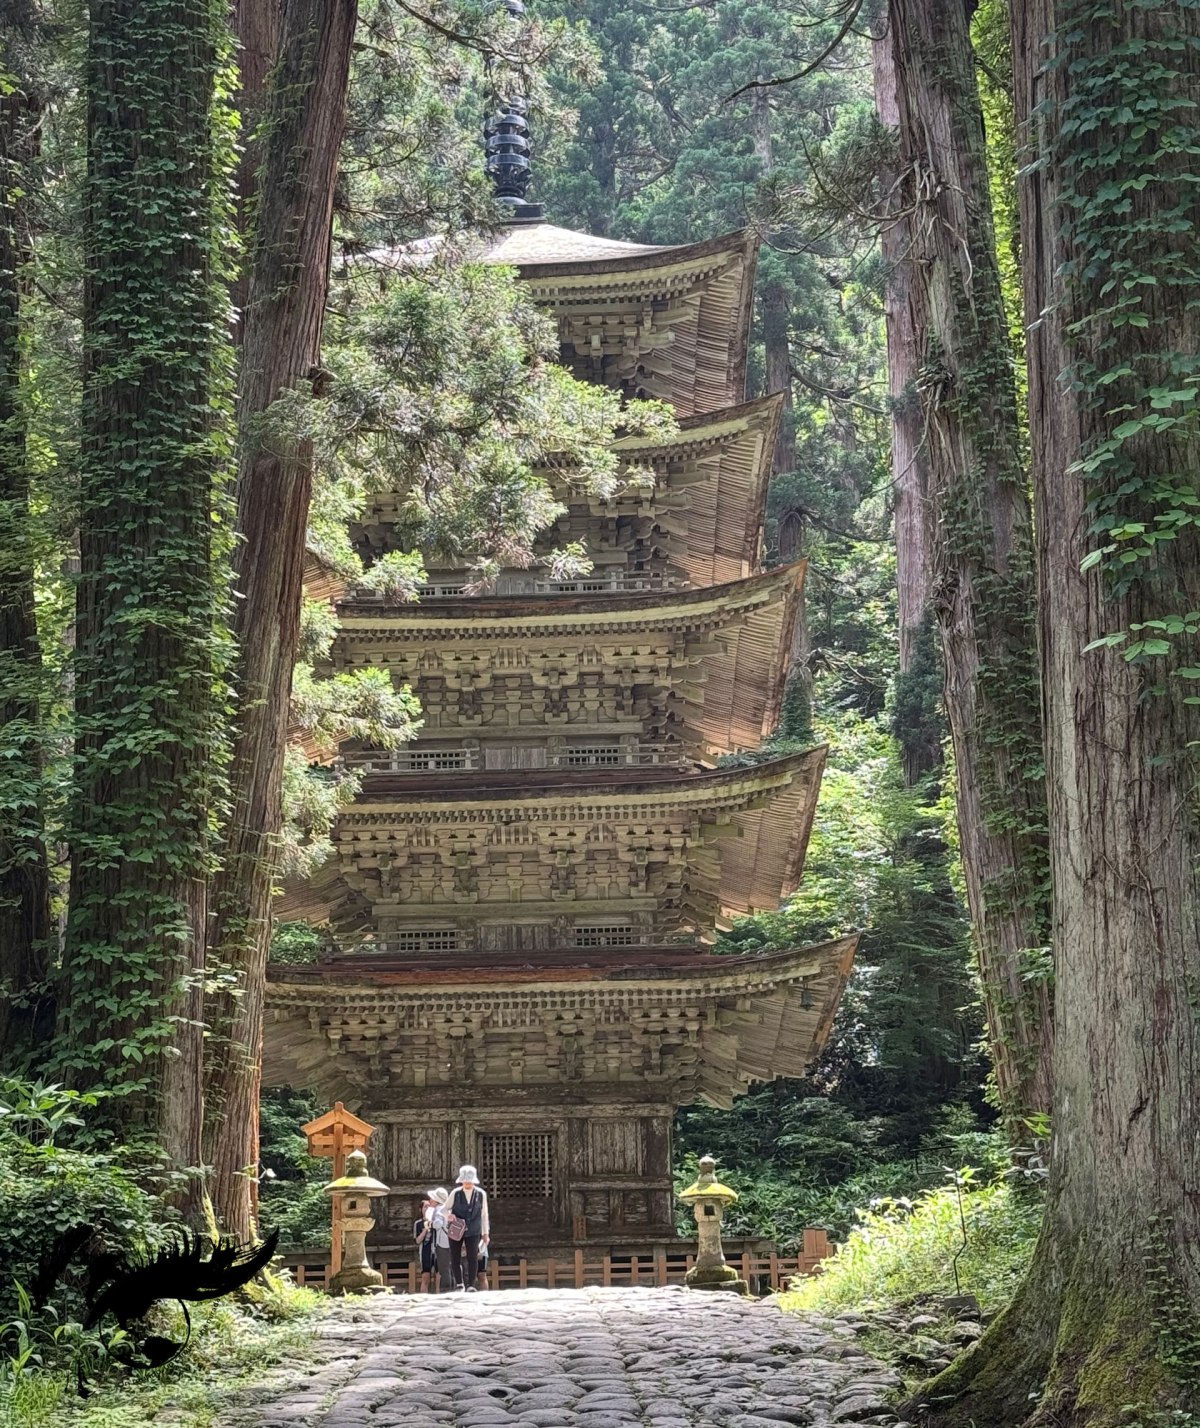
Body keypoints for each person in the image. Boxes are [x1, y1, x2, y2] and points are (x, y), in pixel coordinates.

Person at [446, 1165, 489, 1292]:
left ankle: (471, 1284)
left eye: (469, 1181)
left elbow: (484, 1214)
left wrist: (485, 1233)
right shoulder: (456, 1193)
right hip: (456, 1228)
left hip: (474, 1228)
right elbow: (444, 1208)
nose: (467, 1184)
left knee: (473, 1257)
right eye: (465, 1181)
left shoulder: (481, 1194)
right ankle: (459, 1283)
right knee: (455, 1257)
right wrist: (448, 1215)